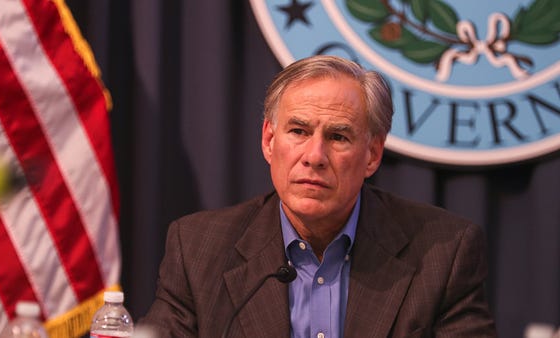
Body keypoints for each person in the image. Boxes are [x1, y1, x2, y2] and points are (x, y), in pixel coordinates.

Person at [141, 55, 497, 337]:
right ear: (269, 141)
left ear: (372, 154)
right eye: (298, 131)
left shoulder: (443, 253)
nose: (314, 156)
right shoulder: (199, 249)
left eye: (338, 137)